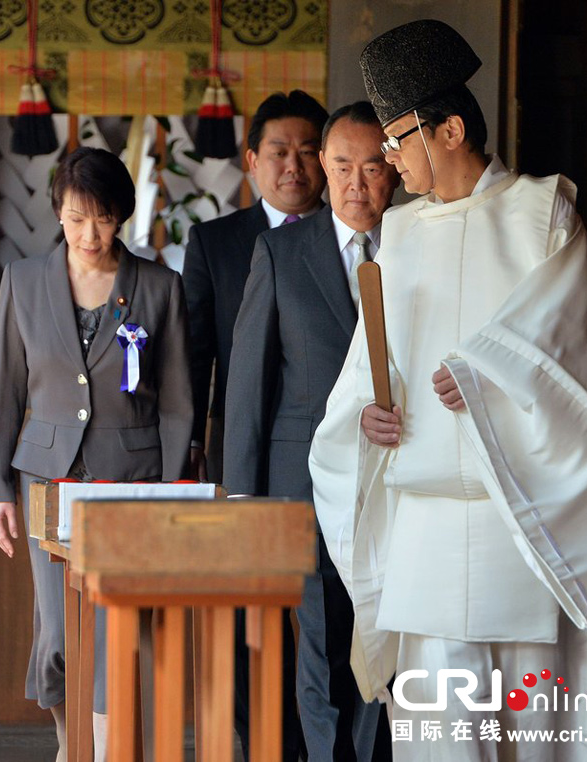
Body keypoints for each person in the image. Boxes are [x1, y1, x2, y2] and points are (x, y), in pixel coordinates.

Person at [309, 19, 587, 761]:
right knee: (440, 741)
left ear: (451, 129)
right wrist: (368, 417)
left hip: (522, 536)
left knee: (536, 737)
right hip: (423, 540)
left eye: (398, 140)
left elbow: (584, 359)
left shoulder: (542, 217)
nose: (388, 161)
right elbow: (366, 381)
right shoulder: (396, 236)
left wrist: (490, 374)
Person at [0, 146, 193, 762]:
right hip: (47, 478)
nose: (88, 233)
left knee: (110, 630)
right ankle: (69, 741)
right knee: (56, 638)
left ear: (122, 215)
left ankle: (100, 753)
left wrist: (171, 492)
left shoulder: (159, 287)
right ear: (57, 212)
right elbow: (6, 390)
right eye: (75, 218)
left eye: (102, 218)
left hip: (130, 481)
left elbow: (178, 401)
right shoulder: (22, 281)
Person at [225, 102, 398, 761]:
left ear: (395, 171)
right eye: (343, 166)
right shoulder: (281, 250)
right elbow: (249, 380)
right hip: (305, 487)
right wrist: (243, 497)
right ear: (323, 169)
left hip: (397, 478)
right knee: (322, 638)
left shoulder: (418, 244)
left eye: (374, 166)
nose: (358, 183)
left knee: (384, 635)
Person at [182, 89, 327, 761]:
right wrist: (191, 454)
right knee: (248, 618)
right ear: (251, 160)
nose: (293, 165)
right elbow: (193, 356)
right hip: (239, 458)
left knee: (329, 614)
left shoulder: (356, 235)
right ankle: (267, 745)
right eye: (279, 151)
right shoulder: (216, 242)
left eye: (307, 151)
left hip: (327, 459)